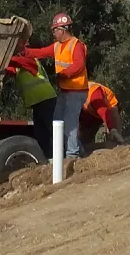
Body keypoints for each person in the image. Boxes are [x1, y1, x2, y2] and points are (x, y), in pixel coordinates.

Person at [23, 12, 88, 159]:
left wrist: (63, 74)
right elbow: (41, 52)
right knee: (58, 122)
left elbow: (79, 64)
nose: (53, 33)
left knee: (70, 124)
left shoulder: (76, 45)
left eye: (55, 30)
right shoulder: (58, 46)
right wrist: (23, 52)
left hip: (77, 91)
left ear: (62, 30)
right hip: (65, 91)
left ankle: (72, 155)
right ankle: (77, 150)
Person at [6, 34, 59, 158]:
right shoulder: (18, 63)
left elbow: (17, 62)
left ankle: (68, 157)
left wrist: (3, 56)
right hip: (37, 102)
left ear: (23, 44)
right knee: (41, 135)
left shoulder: (30, 59)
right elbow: (9, 68)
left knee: (54, 131)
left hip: (46, 100)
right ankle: (52, 160)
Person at [79, 80, 122, 154]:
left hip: (109, 107)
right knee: (84, 140)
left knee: (113, 136)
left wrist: (112, 128)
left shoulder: (94, 95)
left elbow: (104, 112)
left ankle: (118, 147)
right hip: (90, 113)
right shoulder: (72, 97)